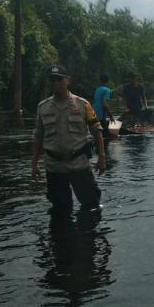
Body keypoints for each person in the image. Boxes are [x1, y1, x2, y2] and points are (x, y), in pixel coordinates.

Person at [32, 64, 106, 214]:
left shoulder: (83, 104)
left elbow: (96, 131)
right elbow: (38, 136)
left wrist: (102, 157)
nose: (56, 83)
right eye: (52, 80)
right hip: (54, 166)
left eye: (59, 79)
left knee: (91, 206)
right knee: (60, 209)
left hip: (78, 163)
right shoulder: (42, 107)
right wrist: (34, 163)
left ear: (68, 81)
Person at [93, 73, 113, 139]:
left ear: (100, 80)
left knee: (98, 136)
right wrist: (111, 116)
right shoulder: (107, 90)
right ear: (108, 81)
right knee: (107, 138)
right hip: (101, 116)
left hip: (94, 115)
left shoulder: (97, 89)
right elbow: (104, 104)